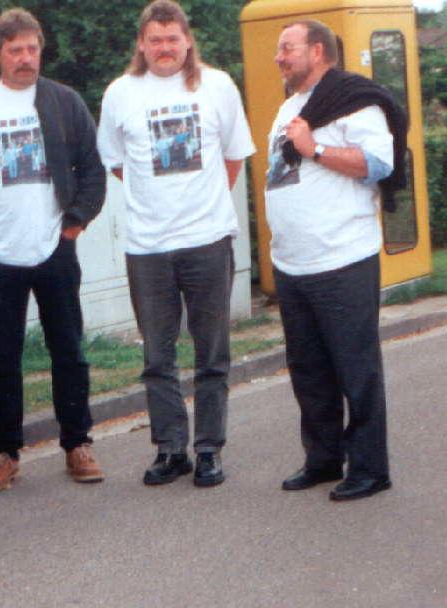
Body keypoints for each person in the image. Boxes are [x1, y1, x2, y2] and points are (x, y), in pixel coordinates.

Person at [0, 7, 107, 491]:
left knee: (69, 350)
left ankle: (77, 444)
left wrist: (74, 223)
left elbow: (93, 170)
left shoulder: (64, 102)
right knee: (3, 355)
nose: (25, 58)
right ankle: (5, 453)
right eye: (15, 49)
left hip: (53, 249)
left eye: (32, 48)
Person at [97, 0, 255, 487]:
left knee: (212, 353)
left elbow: (233, 158)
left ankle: (208, 449)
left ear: (188, 41)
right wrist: (158, 202)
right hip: (147, 247)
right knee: (157, 358)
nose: (165, 48)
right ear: (141, 45)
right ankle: (171, 449)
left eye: (173, 38)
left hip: (207, 241)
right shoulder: (120, 93)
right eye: (155, 39)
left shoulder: (218, 85)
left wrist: (199, 204)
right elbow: (118, 164)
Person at [266, 20, 402, 501]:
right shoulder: (289, 106)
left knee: (355, 369)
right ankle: (323, 460)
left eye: (287, 48)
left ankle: (369, 468)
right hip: (294, 263)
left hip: (342, 259)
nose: (279, 57)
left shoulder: (353, 99)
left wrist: (315, 147)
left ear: (318, 51)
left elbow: (378, 164)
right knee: (309, 372)